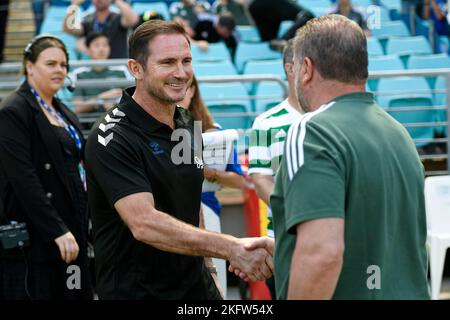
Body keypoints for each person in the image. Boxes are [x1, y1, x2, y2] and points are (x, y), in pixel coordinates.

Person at [84, 20, 273, 299]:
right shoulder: (110, 135)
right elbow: (144, 223)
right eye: (168, 62)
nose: (181, 72)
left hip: (195, 289)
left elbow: (190, 198)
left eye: (187, 60)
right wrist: (230, 248)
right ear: (136, 68)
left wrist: (209, 272)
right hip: (138, 293)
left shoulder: (185, 121)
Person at [269, 14, 430, 299]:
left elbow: (323, 253)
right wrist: (288, 244)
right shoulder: (399, 133)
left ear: (305, 68)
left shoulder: (312, 130)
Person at [0, 35, 92, 299]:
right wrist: (57, 230)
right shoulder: (14, 111)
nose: (59, 70)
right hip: (39, 242)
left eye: (63, 65)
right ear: (30, 66)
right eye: (51, 63)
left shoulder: (64, 112)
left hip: (73, 233)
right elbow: (23, 178)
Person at [178, 75, 246, 298]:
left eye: (186, 88)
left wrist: (213, 173)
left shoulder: (213, 130)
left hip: (207, 207)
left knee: (214, 281)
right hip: (170, 213)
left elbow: (240, 181)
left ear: (193, 91)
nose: (180, 94)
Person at [248, 39, 303, 299]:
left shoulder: (334, 118)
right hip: (282, 240)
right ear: (290, 68)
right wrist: (297, 213)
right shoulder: (264, 123)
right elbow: (260, 180)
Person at [72, 32, 130, 114]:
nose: (101, 49)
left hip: (119, 120)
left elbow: (132, 101)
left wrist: (114, 107)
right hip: (90, 123)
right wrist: (102, 98)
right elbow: (77, 108)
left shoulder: (121, 70)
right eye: (97, 45)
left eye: (105, 45)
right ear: (88, 50)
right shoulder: (79, 73)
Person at [63, 0, 139, 59]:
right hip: (94, 68)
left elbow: (133, 20)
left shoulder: (119, 16)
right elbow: (69, 28)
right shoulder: (87, 18)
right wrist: (74, 5)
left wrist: (117, 1)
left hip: (118, 66)